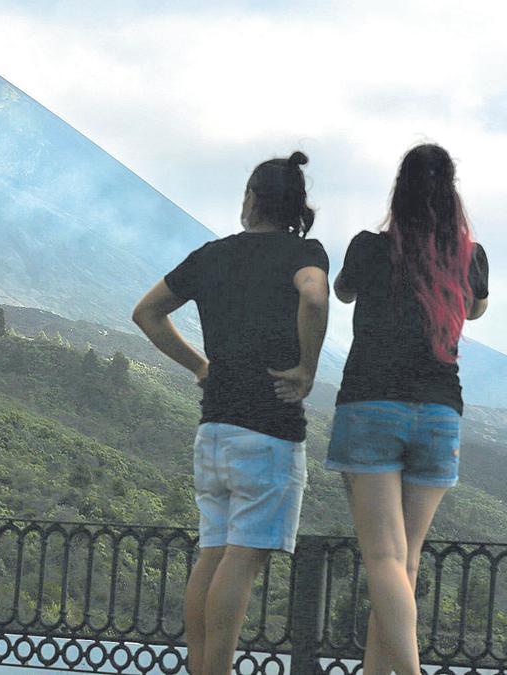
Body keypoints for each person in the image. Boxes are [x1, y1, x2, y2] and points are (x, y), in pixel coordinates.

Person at [132, 152, 329, 675]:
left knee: (213, 554)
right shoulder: (303, 251)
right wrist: (306, 370)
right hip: (269, 431)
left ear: (252, 198)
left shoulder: (211, 255)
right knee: (241, 562)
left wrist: (201, 367)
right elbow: (314, 295)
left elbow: (146, 313)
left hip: (214, 428)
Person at [327, 143, 488, 675]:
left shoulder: (370, 248)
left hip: (373, 405)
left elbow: (343, 292)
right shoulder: (470, 256)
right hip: (441, 413)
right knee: (401, 564)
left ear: (401, 192)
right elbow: (478, 306)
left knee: (384, 561)